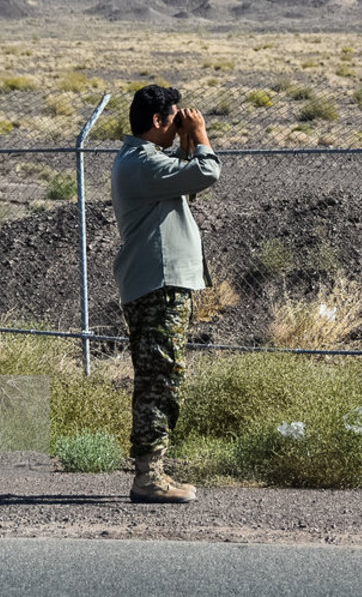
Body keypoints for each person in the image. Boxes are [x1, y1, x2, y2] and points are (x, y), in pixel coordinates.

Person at [111, 85, 221, 504]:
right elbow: (206, 174)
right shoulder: (140, 162)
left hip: (161, 285)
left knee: (163, 378)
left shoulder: (147, 161)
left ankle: (154, 471)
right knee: (159, 380)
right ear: (158, 121)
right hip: (157, 286)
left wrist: (188, 139)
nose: (179, 127)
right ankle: (147, 477)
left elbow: (187, 182)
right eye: (173, 120)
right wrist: (202, 134)